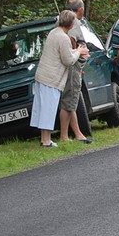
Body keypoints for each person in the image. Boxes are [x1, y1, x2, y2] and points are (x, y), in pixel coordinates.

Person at [30, 9, 89, 147]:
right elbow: (68, 60)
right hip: (51, 78)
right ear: (71, 23)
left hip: (43, 76)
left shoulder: (54, 32)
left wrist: (76, 51)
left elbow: (64, 53)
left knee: (44, 109)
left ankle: (46, 138)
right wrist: (79, 51)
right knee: (48, 109)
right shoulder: (63, 37)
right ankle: (45, 141)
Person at [59, 0, 92, 144]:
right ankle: (64, 136)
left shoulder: (61, 19)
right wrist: (80, 51)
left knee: (72, 100)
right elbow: (71, 40)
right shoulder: (73, 22)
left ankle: (78, 133)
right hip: (72, 66)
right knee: (70, 100)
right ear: (81, 9)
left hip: (69, 65)